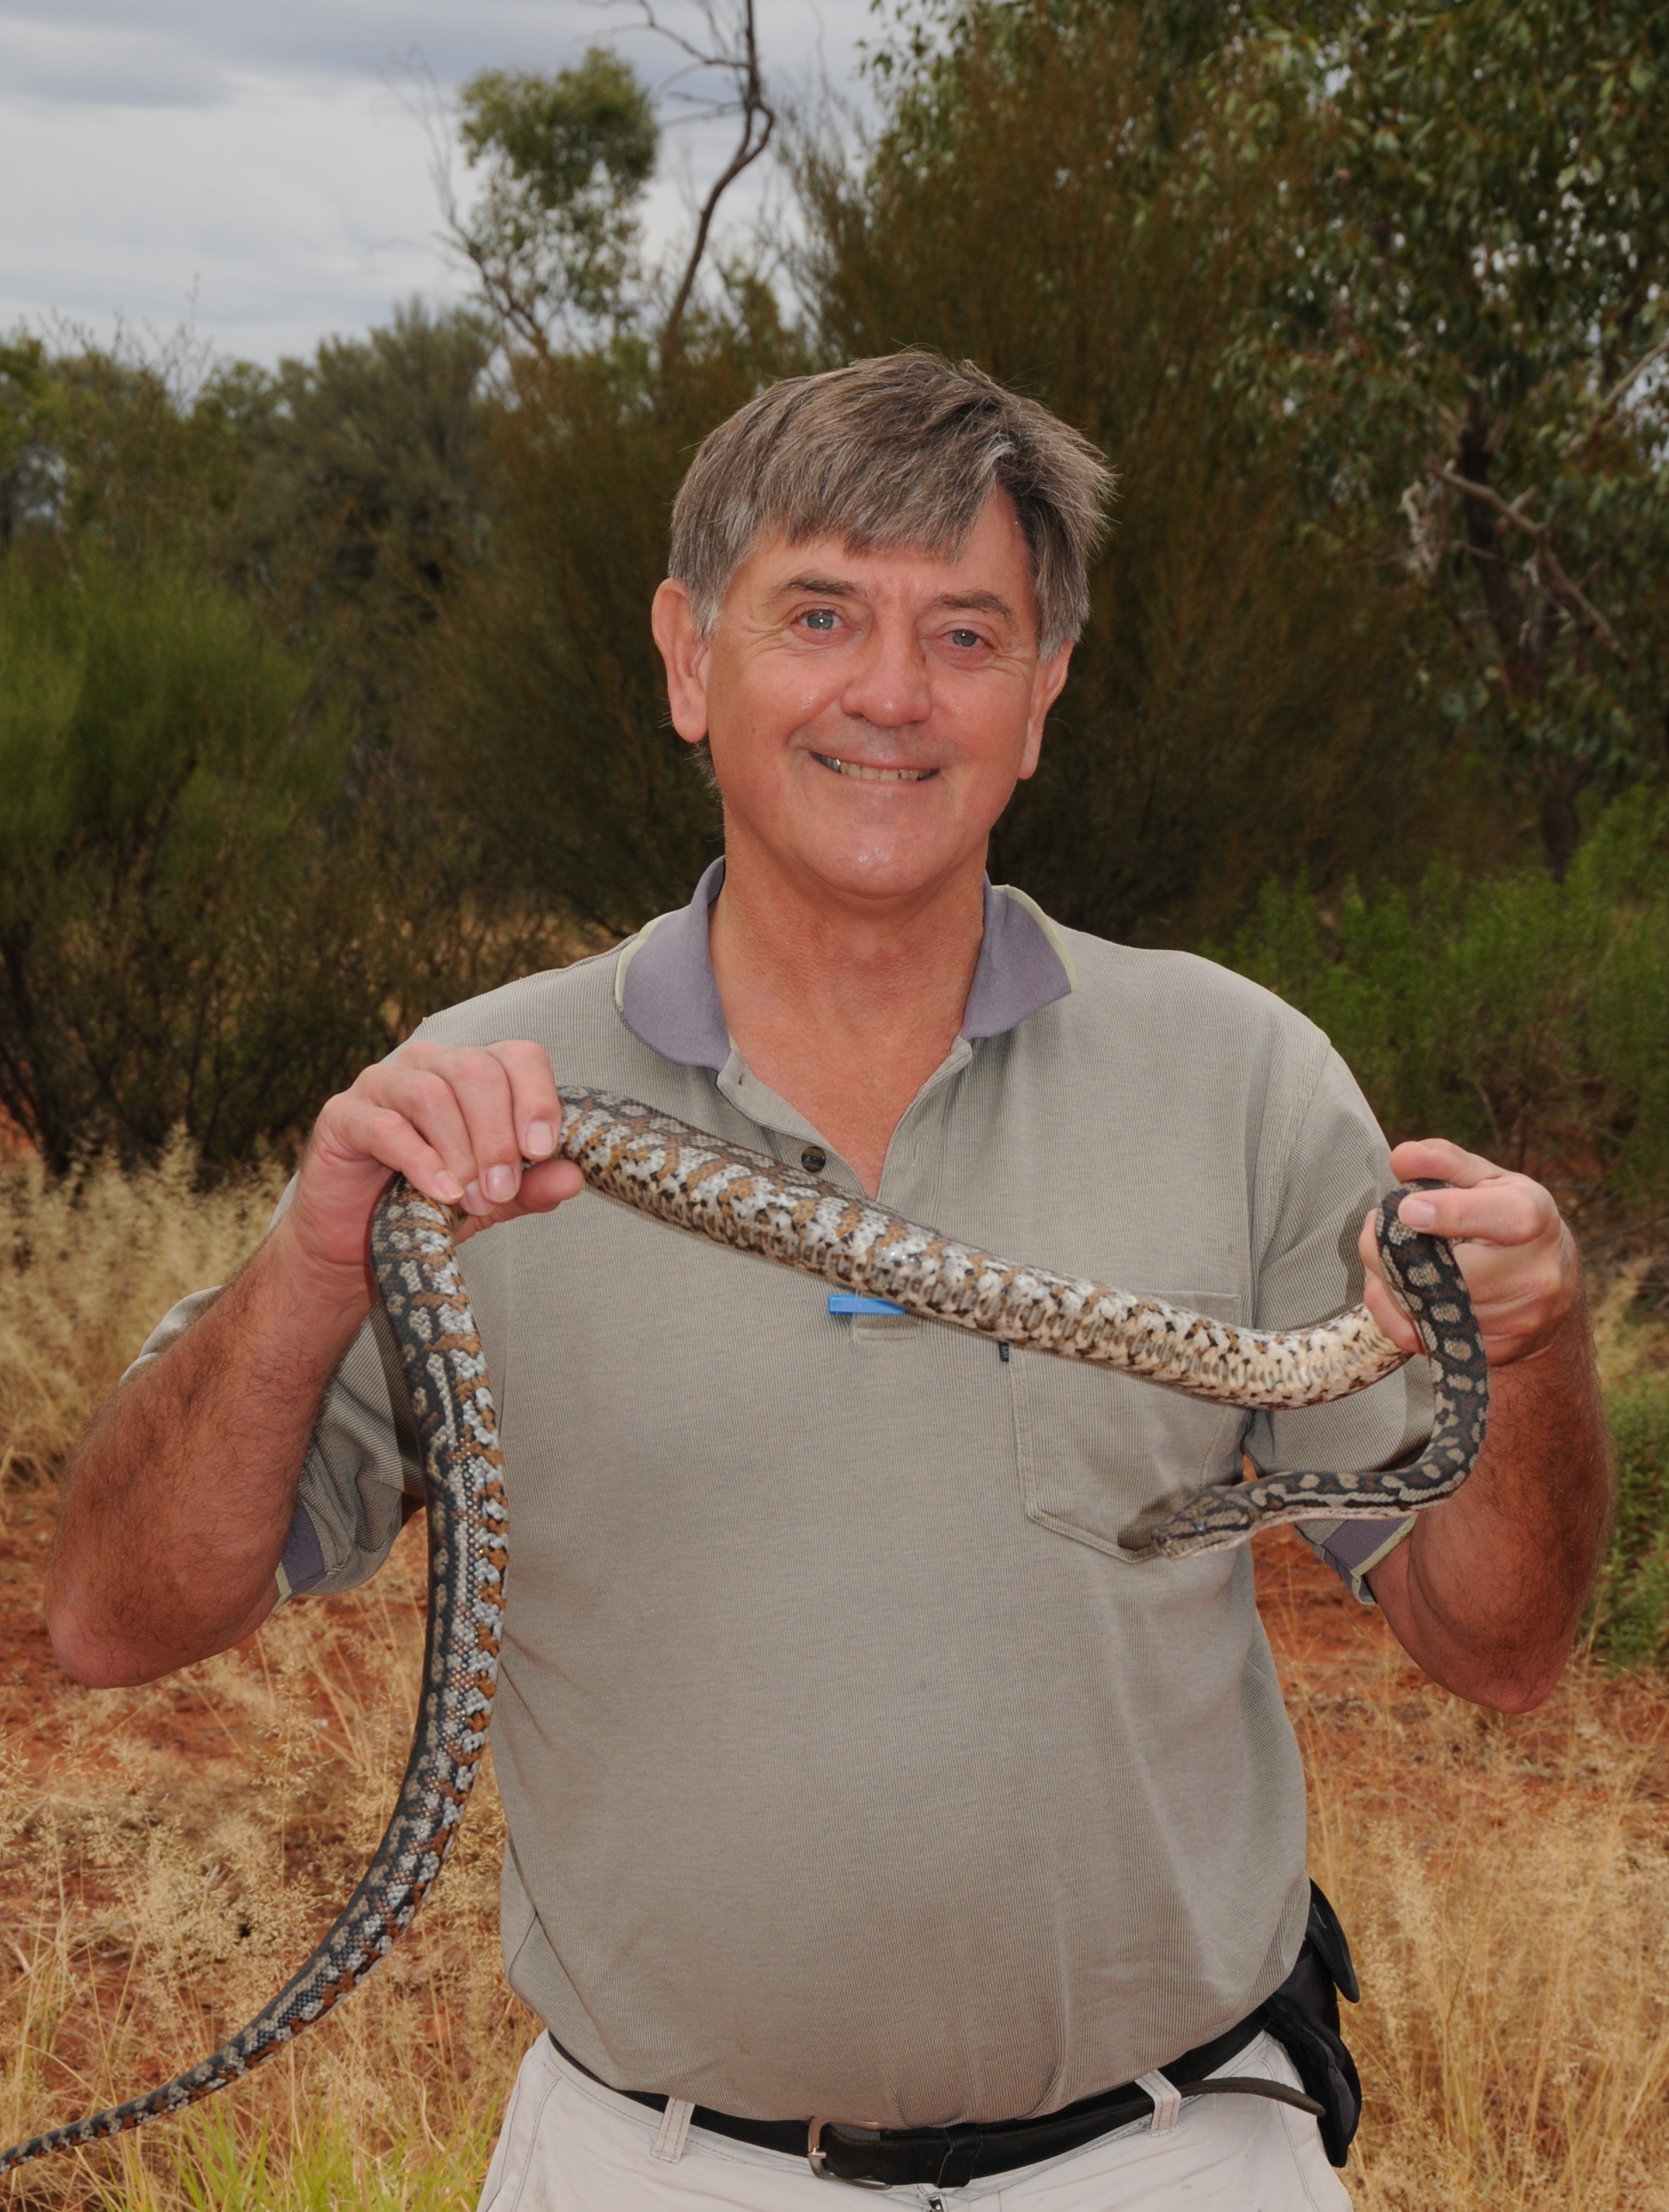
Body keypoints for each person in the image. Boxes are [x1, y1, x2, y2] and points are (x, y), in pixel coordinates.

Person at [46, 354, 1612, 2210]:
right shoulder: (474, 1103)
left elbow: (1502, 1646)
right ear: (688, 659)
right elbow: (111, 1618)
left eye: (966, 633)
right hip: (657, 2165)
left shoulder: (1241, 1073)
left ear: (1044, 696)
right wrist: (318, 1260)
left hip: (1175, 2156)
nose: (891, 692)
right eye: (820, 615)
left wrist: (1534, 1343)